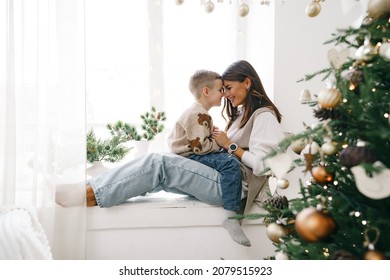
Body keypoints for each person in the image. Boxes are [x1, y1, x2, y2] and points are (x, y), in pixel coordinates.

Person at [56, 60, 285, 248]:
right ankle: (91, 186)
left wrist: (231, 146)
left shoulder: (264, 115)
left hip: (235, 185)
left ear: (247, 82)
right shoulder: (242, 113)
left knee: (159, 163)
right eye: (222, 89)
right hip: (224, 176)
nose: (225, 94)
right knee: (158, 167)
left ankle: (89, 194)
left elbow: (265, 167)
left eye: (229, 88)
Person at [167, 69, 248, 246]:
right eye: (220, 90)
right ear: (206, 91)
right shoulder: (198, 113)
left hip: (193, 152)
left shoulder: (200, 113)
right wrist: (220, 143)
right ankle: (231, 216)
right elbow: (201, 147)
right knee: (230, 165)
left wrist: (215, 137)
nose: (224, 94)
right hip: (189, 155)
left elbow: (202, 139)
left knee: (230, 160)